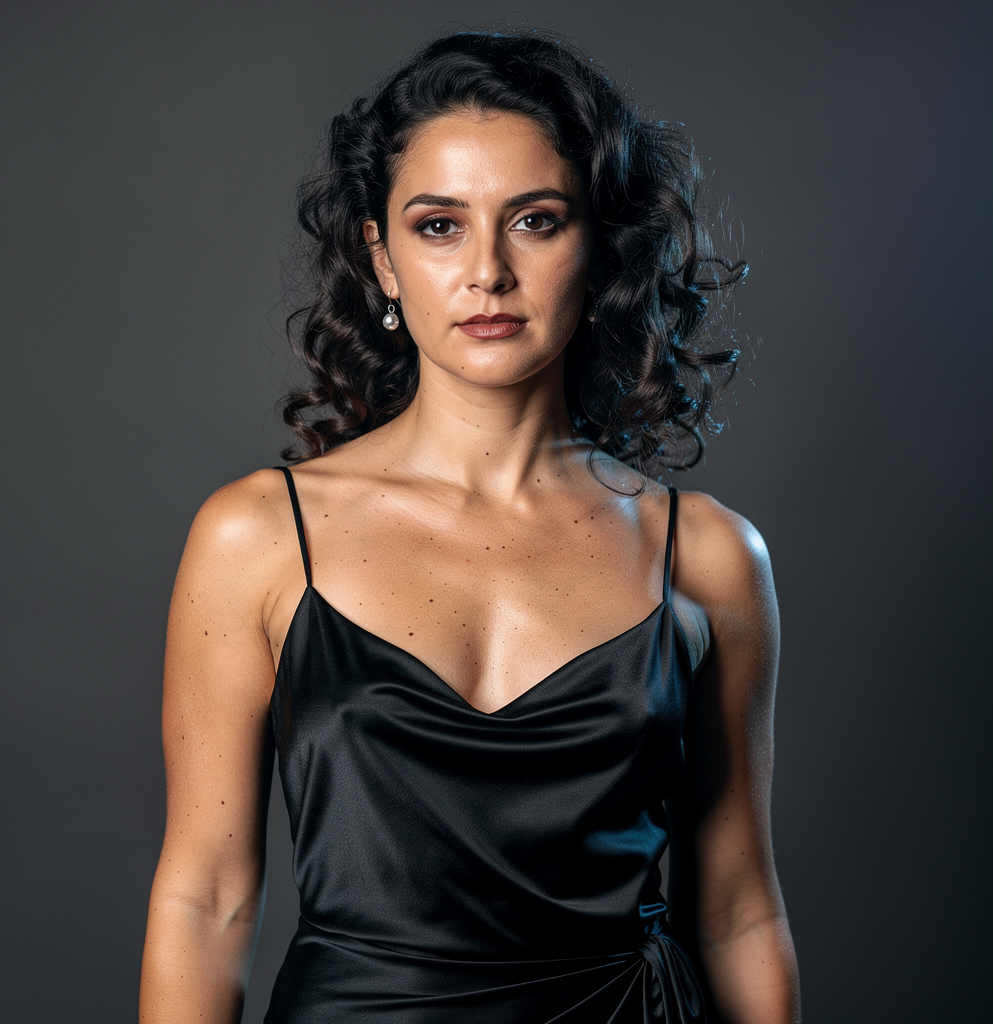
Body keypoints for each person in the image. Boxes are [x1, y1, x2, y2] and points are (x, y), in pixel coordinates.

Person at [139, 28, 800, 1024]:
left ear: (598, 247)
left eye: (534, 220)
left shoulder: (706, 556)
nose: (487, 270)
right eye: (439, 225)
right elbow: (207, 901)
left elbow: (738, 910)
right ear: (384, 258)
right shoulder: (257, 537)